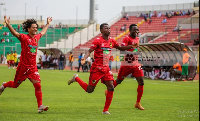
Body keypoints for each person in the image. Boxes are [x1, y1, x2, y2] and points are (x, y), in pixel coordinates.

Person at [68, 23, 138, 115]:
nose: (109, 29)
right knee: (90, 90)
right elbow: (89, 51)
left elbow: (120, 48)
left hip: (106, 69)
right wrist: (84, 58)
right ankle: (76, 78)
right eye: (106, 28)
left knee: (111, 87)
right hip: (97, 69)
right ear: (101, 31)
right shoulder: (97, 41)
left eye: (109, 28)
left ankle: (105, 110)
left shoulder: (112, 41)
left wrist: (131, 47)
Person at [0, 16, 52, 113]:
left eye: (36, 27)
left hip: (33, 68)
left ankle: (40, 106)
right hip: (23, 68)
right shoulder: (24, 37)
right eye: (33, 27)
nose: (36, 29)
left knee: (38, 85)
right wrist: (8, 25)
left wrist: (48, 24)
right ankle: (4, 85)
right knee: (15, 85)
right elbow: (15, 33)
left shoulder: (36, 37)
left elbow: (43, 32)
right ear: (28, 29)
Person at [105, 24, 145, 110]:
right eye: (134, 30)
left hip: (135, 64)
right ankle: (108, 90)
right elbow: (122, 49)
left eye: (137, 30)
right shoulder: (126, 39)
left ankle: (138, 103)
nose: (136, 31)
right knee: (119, 80)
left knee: (141, 81)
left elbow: (135, 49)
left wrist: (137, 52)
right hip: (126, 64)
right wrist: (132, 49)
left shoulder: (137, 39)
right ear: (130, 31)